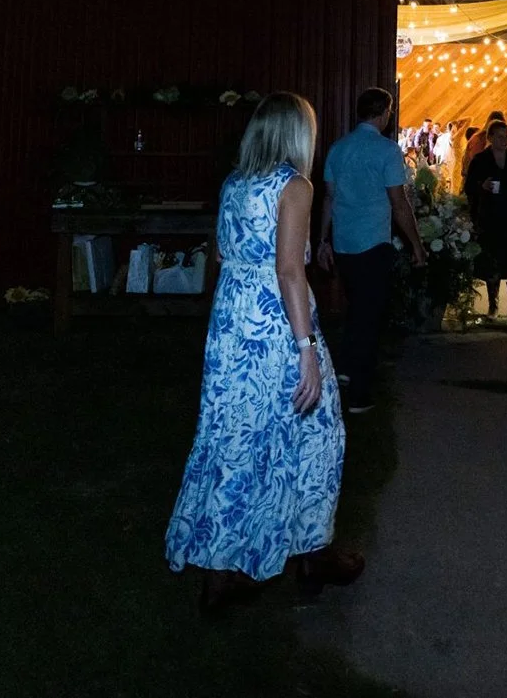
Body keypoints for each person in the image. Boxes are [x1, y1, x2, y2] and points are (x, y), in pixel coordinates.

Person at [166, 93, 362, 612]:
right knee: (317, 432)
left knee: (234, 439)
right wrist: (306, 349)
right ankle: (307, 553)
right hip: (276, 325)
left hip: (232, 324)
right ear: (297, 134)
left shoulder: (234, 183)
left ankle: (226, 569)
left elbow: (221, 255)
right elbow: (289, 270)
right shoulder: (293, 186)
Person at [317, 88, 426, 416]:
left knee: (356, 311)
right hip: (373, 244)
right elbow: (399, 202)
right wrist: (417, 246)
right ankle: (359, 395)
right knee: (369, 317)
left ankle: (347, 369)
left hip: (344, 243)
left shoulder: (338, 149)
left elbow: (328, 198)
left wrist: (322, 240)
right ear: (384, 112)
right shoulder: (387, 151)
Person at [465, 120, 507, 330]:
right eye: (500, 137)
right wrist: (481, 186)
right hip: (490, 215)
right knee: (492, 261)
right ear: (491, 138)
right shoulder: (480, 159)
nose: (505, 140)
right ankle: (493, 306)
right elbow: (468, 186)